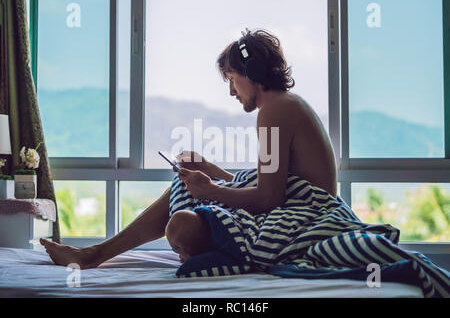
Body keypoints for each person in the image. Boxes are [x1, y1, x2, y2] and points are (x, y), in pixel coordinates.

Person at [40, 28, 337, 268]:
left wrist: (211, 191)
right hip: (292, 209)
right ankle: (95, 254)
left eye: (233, 79)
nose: (231, 91)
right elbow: (273, 188)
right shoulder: (283, 105)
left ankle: (95, 255)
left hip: (303, 218)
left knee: (181, 225)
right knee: (188, 197)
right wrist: (209, 171)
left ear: (254, 73)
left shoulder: (275, 110)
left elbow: (269, 199)